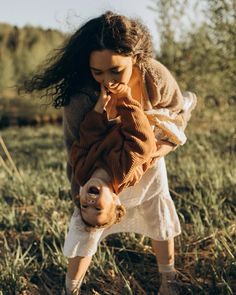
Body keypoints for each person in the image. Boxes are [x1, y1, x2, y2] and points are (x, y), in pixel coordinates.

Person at [23, 11, 197, 295]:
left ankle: (169, 281)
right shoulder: (82, 98)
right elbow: (76, 145)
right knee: (85, 228)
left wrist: (157, 148)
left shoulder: (155, 76)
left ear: (136, 58)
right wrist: (79, 201)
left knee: (158, 217)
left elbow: (167, 123)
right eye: (97, 72)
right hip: (130, 158)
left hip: (148, 160)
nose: (107, 80)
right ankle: (72, 288)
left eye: (116, 71)